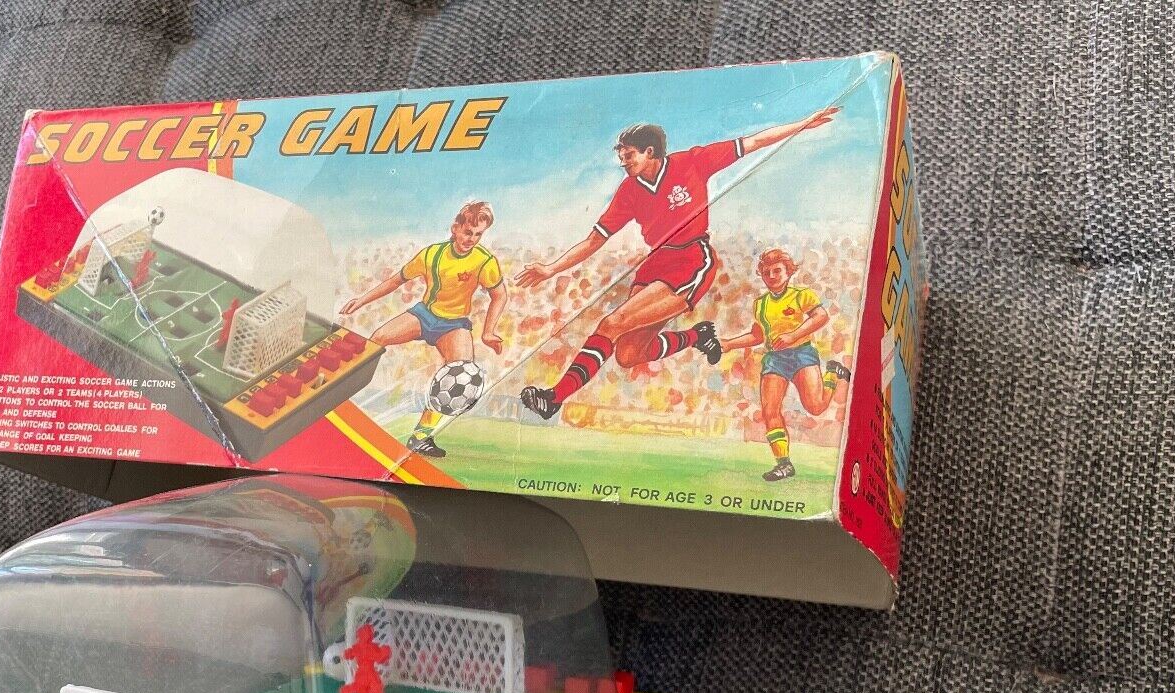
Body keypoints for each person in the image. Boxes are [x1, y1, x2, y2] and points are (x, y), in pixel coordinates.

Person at [514, 109, 837, 418]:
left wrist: (801, 124)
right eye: (621, 156)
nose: (623, 162)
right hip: (655, 264)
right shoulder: (628, 191)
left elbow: (752, 143)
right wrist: (551, 269)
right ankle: (696, 336)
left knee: (612, 324)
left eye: (628, 155)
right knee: (628, 355)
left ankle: (553, 398)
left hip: (691, 259)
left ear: (649, 151)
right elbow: (594, 240)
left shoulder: (692, 162)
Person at [341, 201, 508, 458]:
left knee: (460, 373)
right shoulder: (431, 254)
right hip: (424, 315)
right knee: (376, 339)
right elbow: (396, 280)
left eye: (478, 235)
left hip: (454, 325)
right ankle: (339, 396)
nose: (471, 239)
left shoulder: (485, 261)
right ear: (455, 228)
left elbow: (499, 296)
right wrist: (362, 300)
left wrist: (488, 331)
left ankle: (420, 437)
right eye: (467, 232)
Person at [717, 248, 848, 481]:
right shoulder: (761, 304)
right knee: (770, 410)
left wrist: (793, 335)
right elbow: (758, 335)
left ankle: (832, 374)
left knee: (815, 407)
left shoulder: (801, 295)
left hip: (801, 353)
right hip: (775, 359)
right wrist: (729, 343)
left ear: (788, 271)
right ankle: (784, 464)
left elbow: (821, 317)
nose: (772, 276)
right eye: (766, 272)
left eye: (777, 271)